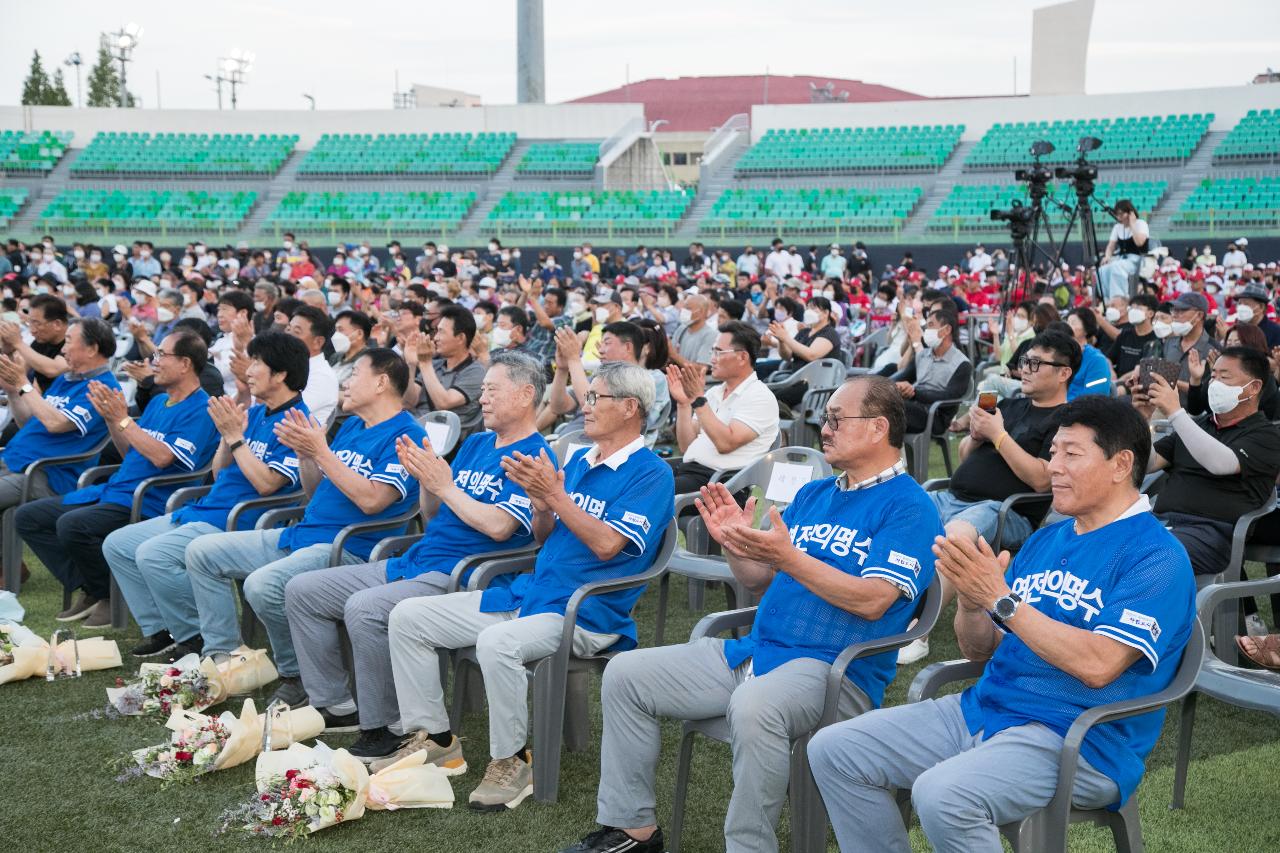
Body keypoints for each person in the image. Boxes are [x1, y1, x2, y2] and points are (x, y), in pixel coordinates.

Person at [557, 376, 941, 853]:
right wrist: (736, 543)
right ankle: (632, 829)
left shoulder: (911, 507)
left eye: (837, 419)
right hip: (759, 650)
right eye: (826, 419)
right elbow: (760, 579)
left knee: (754, 704)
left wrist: (788, 558)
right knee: (627, 673)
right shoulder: (815, 495)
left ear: (879, 427)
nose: (824, 428)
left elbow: (873, 600)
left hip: (836, 672)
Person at [808, 395, 1197, 853]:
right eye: (1052, 452)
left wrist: (1002, 599)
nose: (1053, 467)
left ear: (1120, 464)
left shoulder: (1157, 557)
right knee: (834, 750)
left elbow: (1099, 664)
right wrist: (974, 604)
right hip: (987, 710)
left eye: (1071, 454)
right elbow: (981, 650)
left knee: (944, 795)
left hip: (1081, 738)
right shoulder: (1048, 537)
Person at [384, 362, 674, 811]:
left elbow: (605, 545)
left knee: (497, 641)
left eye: (597, 398)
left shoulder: (651, 473)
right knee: (409, 617)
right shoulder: (579, 459)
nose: (585, 405)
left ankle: (513, 760)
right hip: (531, 595)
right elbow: (545, 537)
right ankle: (437, 739)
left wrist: (554, 497)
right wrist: (542, 507)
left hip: (585, 613)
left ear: (631, 407)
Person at [285, 353, 551, 745]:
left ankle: (387, 727)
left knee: (366, 607)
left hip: (464, 573)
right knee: (303, 591)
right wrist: (428, 482)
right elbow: (433, 515)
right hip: (418, 559)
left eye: (492, 390)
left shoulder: (533, 455)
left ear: (526, 394)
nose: (484, 399)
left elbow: (499, 527)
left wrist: (445, 486)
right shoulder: (477, 442)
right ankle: (334, 704)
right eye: (483, 391)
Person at [184, 348, 428, 707]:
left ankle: (297, 674)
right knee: (202, 552)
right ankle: (225, 659)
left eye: (355, 373)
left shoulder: (406, 435)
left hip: (350, 548)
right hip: (304, 534)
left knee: (263, 585)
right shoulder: (353, 426)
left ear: (381, 382)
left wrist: (322, 451)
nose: (345, 381)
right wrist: (307, 457)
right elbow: (316, 493)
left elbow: (374, 501)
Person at [102, 331, 310, 660]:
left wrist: (235, 438)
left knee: (152, 554)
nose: (250, 370)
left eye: (257, 363)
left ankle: (200, 637)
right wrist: (229, 437)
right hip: (208, 509)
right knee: (118, 544)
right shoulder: (256, 413)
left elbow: (268, 485)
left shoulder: (297, 421)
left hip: (242, 518)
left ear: (281, 374)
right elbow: (217, 472)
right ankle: (164, 630)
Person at [14, 329, 218, 628]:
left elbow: (162, 457)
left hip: (150, 498)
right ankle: (96, 588)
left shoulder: (202, 408)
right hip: (117, 489)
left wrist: (123, 419)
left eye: (162, 355)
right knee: (29, 517)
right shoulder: (160, 402)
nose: (154, 361)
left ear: (185, 363)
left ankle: (108, 596)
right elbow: (129, 452)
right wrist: (113, 420)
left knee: (73, 525)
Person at [899, 331, 1078, 666]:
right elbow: (968, 454)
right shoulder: (1010, 405)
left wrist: (998, 435)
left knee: (958, 536)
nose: (1025, 368)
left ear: (1063, 372)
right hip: (956, 495)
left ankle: (917, 631)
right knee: (901, 512)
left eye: (1036, 363)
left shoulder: (1066, 420)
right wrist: (977, 435)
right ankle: (878, 607)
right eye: (1024, 361)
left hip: (1007, 512)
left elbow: (1041, 479)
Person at [1133, 347, 1280, 577]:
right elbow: (1148, 463)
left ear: (1253, 387)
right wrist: (1142, 418)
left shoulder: (1266, 436)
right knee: (1101, 540)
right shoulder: (1201, 425)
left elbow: (1220, 463)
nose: (1214, 383)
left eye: (1224, 377)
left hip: (1211, 534)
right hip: (1161, 522)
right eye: (1213, 376)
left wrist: (1175, 412)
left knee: (1146, 555)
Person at [0, 319, 119, 574]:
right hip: (16, 461)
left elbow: (56, 423)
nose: (63, 349)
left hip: (45, 474)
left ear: (91, 348)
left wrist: (23, 384)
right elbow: (29, 422)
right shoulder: (68, 379)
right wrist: (13, 391)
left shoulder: (103, 388)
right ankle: (7, 566)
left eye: (68, 341)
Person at [665, 321, 780, 495]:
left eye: (719, 352)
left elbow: (725, 444)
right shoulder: (714, 393)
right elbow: (686, 445)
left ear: (742, 357)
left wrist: (697, 399)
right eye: (713, 351)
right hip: (691, 472)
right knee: (636, 476)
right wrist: (683, 404)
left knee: (647, 492)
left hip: (719, 484)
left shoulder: (759, 396)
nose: (712, 358)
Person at [405, 304, 486, 439]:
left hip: (446, 446)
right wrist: (411, 364)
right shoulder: (435, 365)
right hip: (415, 432)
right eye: (436, 331)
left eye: (441, 332)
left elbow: (444, 403)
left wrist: (424, 363)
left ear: (460, 338)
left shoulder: (476, 372)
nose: (435, 338)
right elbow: (408, 402)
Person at [892, 309, 972, 434]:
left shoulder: (962, 364)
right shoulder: (923, 355)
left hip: (935, 416)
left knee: (889, 408)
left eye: (930, 325)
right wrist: (896, 386)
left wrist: (914, 393)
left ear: (946, 330)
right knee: (879, 403)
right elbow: (901, 376)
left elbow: (949, 398)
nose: (926, 331)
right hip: (912, 406)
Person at [768, 295, 842, 407]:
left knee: (772, 401)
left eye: (813, 308)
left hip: (815, 384)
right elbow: (787, 356)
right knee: (765, 394)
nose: (809, 311)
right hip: (795, 379)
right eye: (807, 308)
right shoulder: (804, 332)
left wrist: (786, 338)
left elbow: (811, 355)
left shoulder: (829, 333)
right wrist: (782, 341)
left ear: (826, 313)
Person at [0, 293, 69, 393]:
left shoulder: (74, 340)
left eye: (37, 323)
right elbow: (18, 373)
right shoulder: (40, 342)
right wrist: (8, 351)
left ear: (57, 324)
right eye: (30, 323)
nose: (32, 330)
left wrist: (18, 343)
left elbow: (54, 369)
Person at [1098, 200, 1150, 301]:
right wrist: (1107, 256)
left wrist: (1132, 224)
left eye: (1122, 214)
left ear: (1130, 213)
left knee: (1116, 267)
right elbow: (1110, 246)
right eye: (1117, 214)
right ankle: (1106, 299)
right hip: (1122, 259)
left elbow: (1140, 242)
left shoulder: (1141, 224)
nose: (1119, 217)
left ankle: (1119, 299)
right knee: (1102, 270)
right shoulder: (1117, 227)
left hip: (1137, 260)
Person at [1063, 310, 1114, 399]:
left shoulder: (1096, 360)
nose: (1067, 326)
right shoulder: (1061, 354)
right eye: (1067, 322)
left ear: (1086, 330)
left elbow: (1095, 399)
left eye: (1073, 323)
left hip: (1077, 410)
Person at [670, 294, 717, 369]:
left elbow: (701, 369)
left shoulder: (710, 335)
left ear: (701, 312)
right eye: (684, 308)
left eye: (688, 308)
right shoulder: (682, 329)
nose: (684, 311)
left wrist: (674, 355)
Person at [330, 309, 372, 388]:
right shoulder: (335, 357)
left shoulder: (369, 359)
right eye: (336, 330)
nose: (336, 335)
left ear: (359, 334)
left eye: (341, 330)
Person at [1233, 281, 1280, 349]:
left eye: (1246, 304)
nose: (1241, 307)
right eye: (1240, 303)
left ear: (1261, 307)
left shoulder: (1275, 332)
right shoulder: (1236, 329)